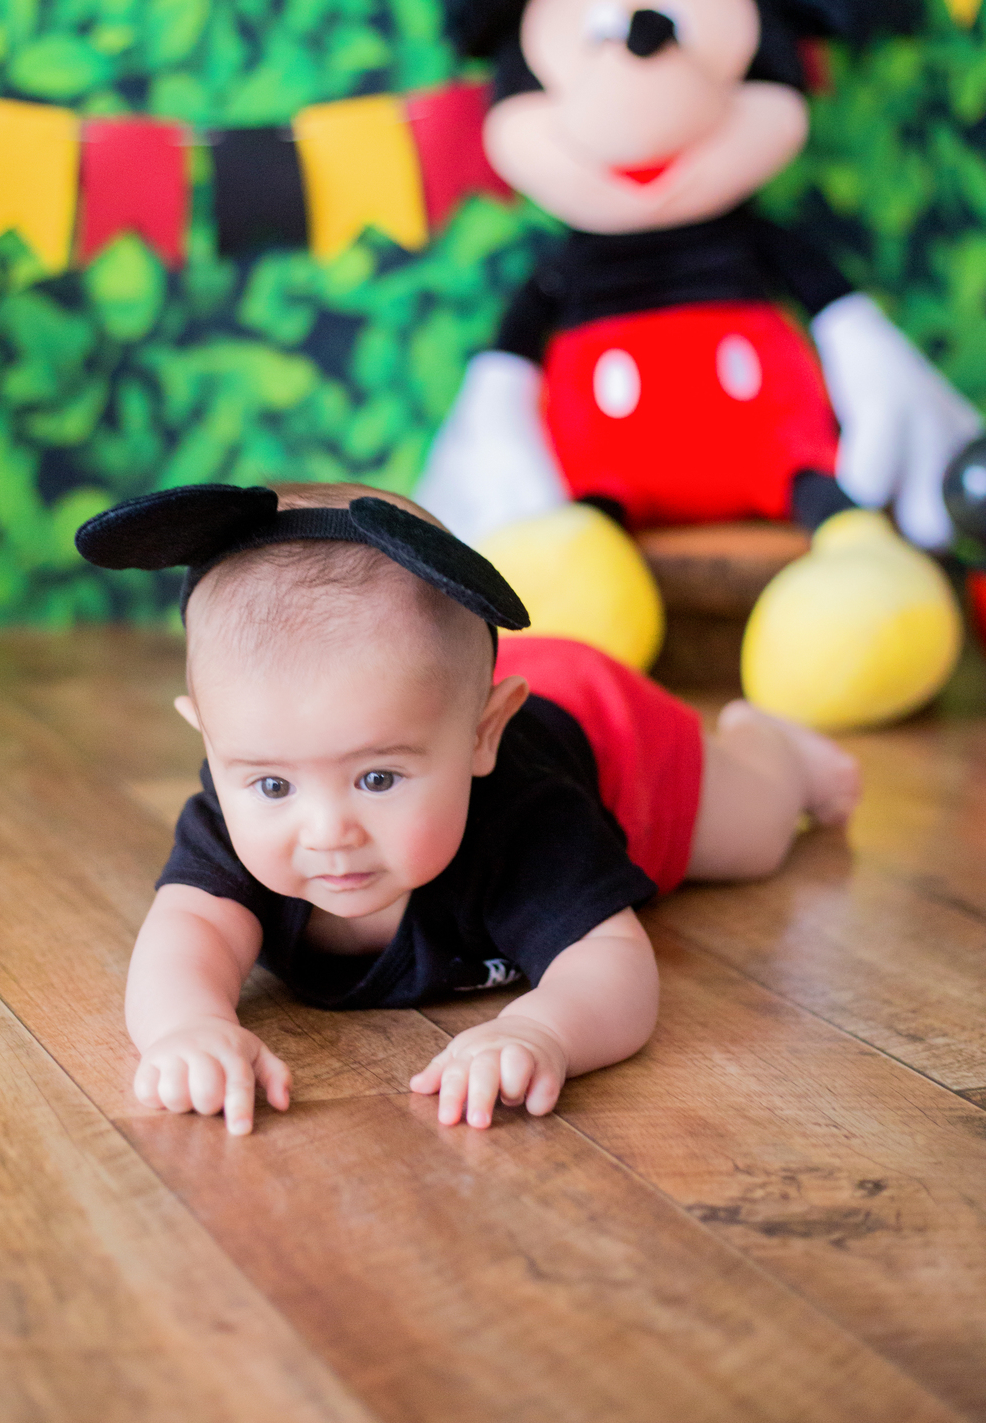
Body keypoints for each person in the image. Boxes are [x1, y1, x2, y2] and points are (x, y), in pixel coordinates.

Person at [76, 480, 860, 1138]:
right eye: (274, 786)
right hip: (458, 693)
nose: (327, 832)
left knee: (754, 834)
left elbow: (615, 968)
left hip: (611, 736)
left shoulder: (527, 818)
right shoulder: (230, 813)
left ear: (485, 735)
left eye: (378, 779)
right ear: (211, 742)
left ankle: (777, 748)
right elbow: (188, 933)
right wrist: (187, 1028)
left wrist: (541, 1029)